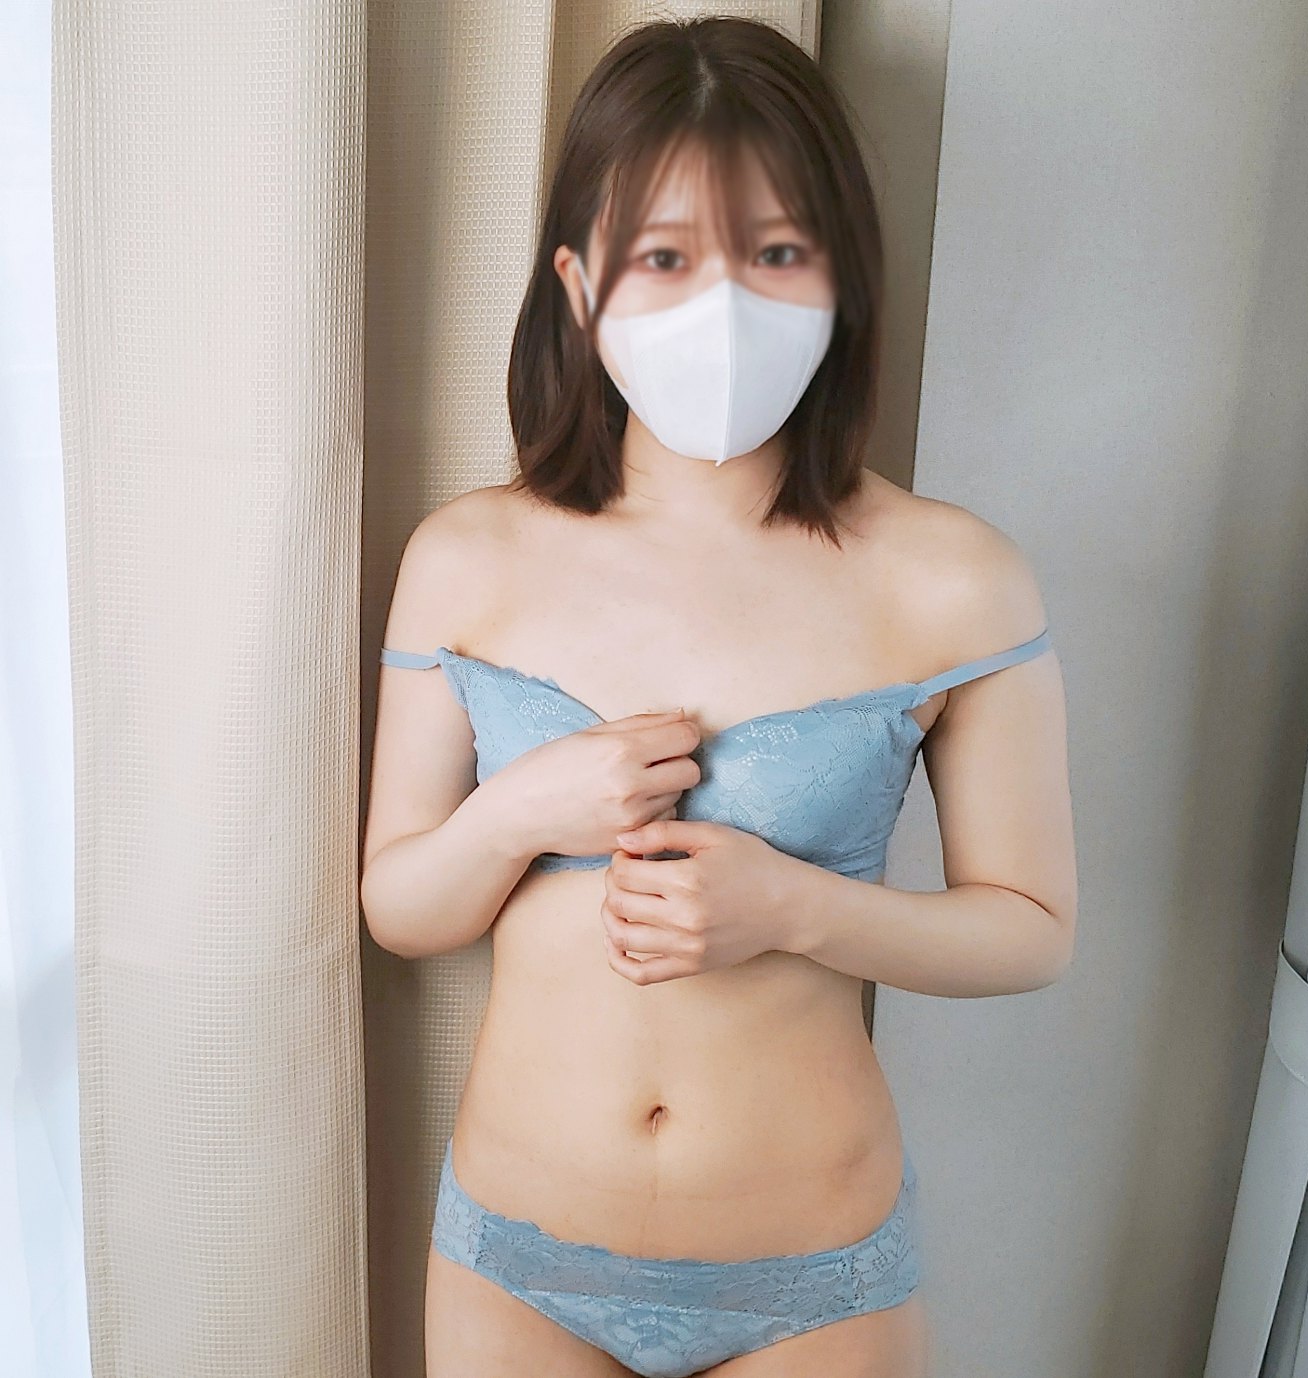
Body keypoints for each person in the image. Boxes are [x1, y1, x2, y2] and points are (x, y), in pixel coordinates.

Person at [359, 16, 1076, 1377]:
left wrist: (794, 907)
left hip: (815, 1278)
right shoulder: (466, 556)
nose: (724, 304)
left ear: (842, 274)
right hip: (517, 1261)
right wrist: (519, 812)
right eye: (667, 256)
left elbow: (1031, 931)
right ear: (579, 283)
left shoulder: (953, 577)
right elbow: (401, 907)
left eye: (776, 252)